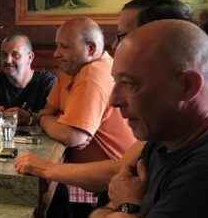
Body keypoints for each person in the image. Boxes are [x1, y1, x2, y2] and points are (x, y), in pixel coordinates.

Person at [15, 0, 193, 191]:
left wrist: (48, 157)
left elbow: (73, 136)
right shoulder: (73, 68)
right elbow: (126, 166)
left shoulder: (94, 73)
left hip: (101, 187)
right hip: (103, 182)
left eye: (122, 36)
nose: (115, 99)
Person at [88, 20, 208, 218]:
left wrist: (122, 213)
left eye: (129, 84)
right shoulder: (163, 138)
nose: (114, 99)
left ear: (186, 86)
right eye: (116, 82)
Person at [35, 17, 136, 163]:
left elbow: (72, 136)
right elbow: (49, 110)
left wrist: (45, 121)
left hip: (117, 177)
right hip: (87, 173)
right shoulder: (70, 68)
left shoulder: (92, 74)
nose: (56, 54)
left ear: (90, 49)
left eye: (64, 47)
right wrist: (53, 121)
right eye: (57, 46)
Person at [0, 34, 55, 125]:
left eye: (15, 55)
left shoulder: (47, 82)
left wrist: (30, 118)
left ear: (30, 57)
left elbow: (55, 114)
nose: (8, 60)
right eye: (4, 55)